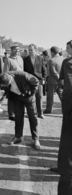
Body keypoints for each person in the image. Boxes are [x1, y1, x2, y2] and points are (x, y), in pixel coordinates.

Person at [0, 71, 41, 150]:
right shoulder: (2, 78)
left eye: (4, 86)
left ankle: (36, 139)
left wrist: (31, 94)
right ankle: (18, 137)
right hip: (17, 98)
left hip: (28, 97)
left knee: (32, 117)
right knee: (18, 117)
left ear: (9, 81)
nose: (1, 86)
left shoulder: (22, 75)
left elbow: (36, 81)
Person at [57, 40, 72, 194]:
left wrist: (66, 109)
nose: (66, 50)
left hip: (70, 111)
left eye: (68, 47)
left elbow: (69, 88)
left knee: (67, 155)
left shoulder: (68, 63)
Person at [24, 44, 47, 119]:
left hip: (39, 81)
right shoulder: (25, 59)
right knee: (30, 97)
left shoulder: (40, 58)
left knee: (39, 97)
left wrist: (43, 79)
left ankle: (40, 113)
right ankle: (31, 113)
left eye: (31, 50)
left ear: (35, 50)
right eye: (29, 50)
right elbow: (24, 71)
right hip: (29, 81)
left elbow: (44, 70)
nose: (30, 51)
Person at [3, 45, 24, 121]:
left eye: (18, 49)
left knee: (19, 97)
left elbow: (22, 70)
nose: (17, 51)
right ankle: (11, 114)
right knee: (11, 98)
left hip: (20, 81)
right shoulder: (8, 60)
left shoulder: (20, 59)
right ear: (11, 50)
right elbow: (6, 72)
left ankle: (17, 112)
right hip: (12, 81)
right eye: (15, 49)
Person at [43, 47, 63, 114]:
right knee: (61, 95)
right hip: (61, 81)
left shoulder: (51, 60)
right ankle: (66, 108)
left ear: (52, 52)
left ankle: (49, 109)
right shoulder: (62, 59)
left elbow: (53, 71)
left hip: (52, 81)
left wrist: (58, 78)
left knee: (50, 96)